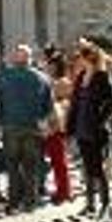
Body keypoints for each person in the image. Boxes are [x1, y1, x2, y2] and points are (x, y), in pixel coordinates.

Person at [0, 44, 54, 212]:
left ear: (15, 58)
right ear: (30, 59)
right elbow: (49, 107)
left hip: (10, 126)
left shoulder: (5, 76)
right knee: (31, 166)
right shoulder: (43, 78)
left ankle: (13, 202)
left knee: (12, 166)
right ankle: (30, 201)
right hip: (33, 127)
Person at [67, 43, 112, 219]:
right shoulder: (80, 77)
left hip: (96, 129)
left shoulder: (102, 76)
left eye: (80, 57)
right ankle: (90, 204)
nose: (78, 61)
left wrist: (100, 121)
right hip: (81, 126)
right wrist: (70, 127)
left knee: (98, 167)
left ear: (89, 58)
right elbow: (75, 104)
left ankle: (105, 202)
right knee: (86, 167)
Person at [42, 50, 72, 204]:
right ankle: (61, 189)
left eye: (50, 65)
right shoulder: (54, 81)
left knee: (59, 161)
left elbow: (64, 104)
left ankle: (64, 191)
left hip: (57, 125)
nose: (47, 67)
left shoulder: (62, 82)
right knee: (56, 161)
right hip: (52, 125)